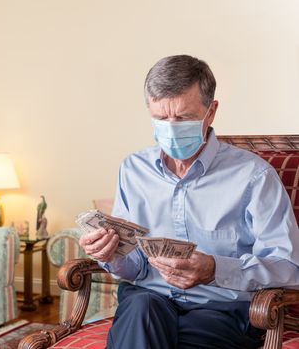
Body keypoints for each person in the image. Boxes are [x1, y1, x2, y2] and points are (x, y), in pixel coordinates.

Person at [79, 55, 299, 349]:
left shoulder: (254, 176)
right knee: (141, 308)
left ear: (211, 111)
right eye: (160, 118)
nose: (170, 128)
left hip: (220, 312)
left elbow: (288, 268)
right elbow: (134, 267)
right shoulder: (133, 169)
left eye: (182, 118)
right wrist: (111, 255)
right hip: (148, 300)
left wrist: (214, 269)